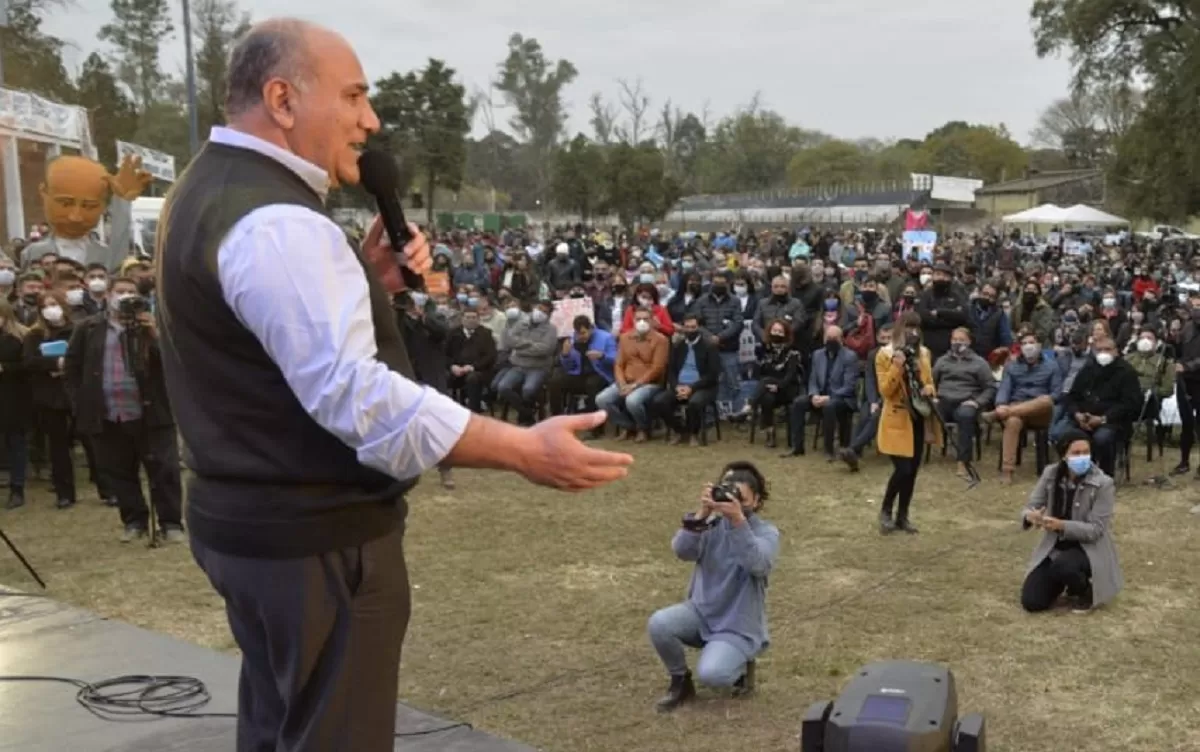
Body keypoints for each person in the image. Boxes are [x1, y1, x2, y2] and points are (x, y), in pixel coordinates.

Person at [155, 20, 632, 752]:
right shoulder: (280, 222)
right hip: (312, 538)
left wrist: (366, 284)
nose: (370, 121)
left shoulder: (213, 189)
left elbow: (264, 345)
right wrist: (518, 448)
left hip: (251, 524)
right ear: (282, 99)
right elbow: (354, 395)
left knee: (283, 724)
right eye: (353, 96)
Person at [646, 461, 780, 712]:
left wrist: (739, 521)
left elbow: (758, 565)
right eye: (727, 491)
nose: (732, 500)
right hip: (700, 612)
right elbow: (682, 551)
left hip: (738, 625)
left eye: (740, 496)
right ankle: (680, 682)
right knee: (659, 624)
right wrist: (701, 515)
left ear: (756, 501)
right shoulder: (710, 524)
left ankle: (740, 667)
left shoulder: (766, 532)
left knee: (713, 675)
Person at [1020, 430, 1123, 612]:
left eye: (1086, 452)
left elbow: (1096, 530)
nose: (1082, 457)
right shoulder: (1050, 473)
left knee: (1065, 565)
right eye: (1076, 453)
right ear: (1063, 455)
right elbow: (1031, 506)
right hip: (1055, 547)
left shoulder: (1103, 483)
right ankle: (1061, 580)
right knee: (1032, 602)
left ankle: (1085, 591)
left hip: (1089, 548)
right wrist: (1031, 516)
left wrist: (1062, 525)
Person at [875, 312, 942, 534]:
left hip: (918, 416)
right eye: (908, 327)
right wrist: (897, 366)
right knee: (902, 469)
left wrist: (928, 390)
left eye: (916, 327)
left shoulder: (924, 353)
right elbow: (885, 390)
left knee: (912, 470)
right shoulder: (884, 354)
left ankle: (902, 515)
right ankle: (886, 510)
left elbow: (930, 382)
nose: (913, 332)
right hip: (896, 417)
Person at [23, 290, 76, 509]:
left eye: (54, 304)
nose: (50, 309)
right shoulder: (34, 335)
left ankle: (106, 487)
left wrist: (68, 366)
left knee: (91, 441)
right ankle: (64, 492)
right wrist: (55, 365)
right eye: (45, 306)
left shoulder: (77, 330)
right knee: (57, 445)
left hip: (75, 392)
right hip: (49, 396)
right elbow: (29, 362)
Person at [786, 325, 858, 459]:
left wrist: (829, 397)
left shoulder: (850, 356)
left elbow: (849, 386)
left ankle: (829, 450)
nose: (831, 341)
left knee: (829, 406)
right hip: (820, 395)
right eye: (828, 338)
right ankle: (797, 447)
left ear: (842, 340)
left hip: (842, 398)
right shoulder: (817, 354)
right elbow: (813, 379)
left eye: (834, 338)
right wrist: (813, 395)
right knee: (798, 403)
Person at [597, 305, 668, 442]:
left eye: (646, 319)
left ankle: (643, 428)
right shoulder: (625, 338)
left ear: (653, 320)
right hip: (626, 381)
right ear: (633, 320)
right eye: (638, 319)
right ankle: (629, 426)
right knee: (602, 399)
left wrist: (635, 385)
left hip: (650, 383)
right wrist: (622, 383)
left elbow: (657, 368)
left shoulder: (661, 340)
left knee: (633, 400)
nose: (642, 322)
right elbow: (619, 364)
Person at [932, 327, 995, 477]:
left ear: (969, 342)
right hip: (943, 400)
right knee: (923, 409)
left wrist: (978, 402)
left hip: (966, 402)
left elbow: (990, 388)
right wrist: (932, 395)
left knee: (966, 416)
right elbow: (931, 382)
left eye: (961, 340)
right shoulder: (942, 361)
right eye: (954, 340)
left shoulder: (979, 363)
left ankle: (963, 461)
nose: (957, 343)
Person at [652, 313, 721, 446]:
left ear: (699, 327)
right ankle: (680, 431)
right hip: (680, 385)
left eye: (693, 327)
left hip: (703, 387)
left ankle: (694, 433)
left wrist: (692, 388)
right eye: (687, 327)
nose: (690, 330)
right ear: (683, 328)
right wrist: (676, 386)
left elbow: (712, 375)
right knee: (659, 402)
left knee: (694, 403)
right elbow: (671, 370)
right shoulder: (678, 345)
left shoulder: (709, 346)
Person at [749, 319, 802, 449]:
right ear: (769, 332)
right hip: (767, 389)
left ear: (786, 334)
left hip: (787, 389)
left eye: (780, 331)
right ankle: (770, 434)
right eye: (774, 330)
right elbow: (758, 374)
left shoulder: (793, 352)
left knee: (766, 382)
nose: (777, 333)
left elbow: (791, 376)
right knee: (767, 397)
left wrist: (778, 386)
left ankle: (749, 406)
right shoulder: (763, 349)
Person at [0, 300, 30, 509]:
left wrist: (5, 368)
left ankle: (17, 488)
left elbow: (28, 365)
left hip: (13, 398)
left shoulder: (19, 337)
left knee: (16, 443)